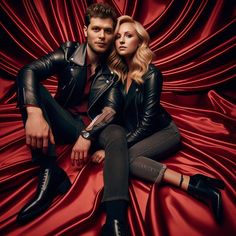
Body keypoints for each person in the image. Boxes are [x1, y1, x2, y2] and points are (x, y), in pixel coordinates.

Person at [92, 15, 225, 227]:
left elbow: (147, 122)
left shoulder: (152, 74)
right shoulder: (119, 73)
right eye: (117, 37)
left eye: (128, 35)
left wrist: (113, 149)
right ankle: (198, 182)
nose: (122, 41)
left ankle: (197, 187)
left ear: (140, 41)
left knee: (127, 160)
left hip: (163, 132)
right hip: (138, 131)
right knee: (126, 158)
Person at [16, 3, 130, 230]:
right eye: (96, 29)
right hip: (64, 123)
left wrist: (88, 133)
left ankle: (116, 220)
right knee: (32, 91)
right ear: (85, 30)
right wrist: (34, 112)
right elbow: (28, 70)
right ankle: (49, 172)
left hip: (94, 129)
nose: (102, 36)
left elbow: (111, 110)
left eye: (108, 31)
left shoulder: (116, 66)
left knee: (117, 132)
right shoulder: (68, 53)